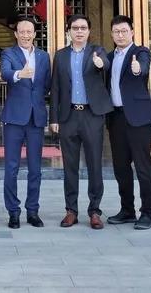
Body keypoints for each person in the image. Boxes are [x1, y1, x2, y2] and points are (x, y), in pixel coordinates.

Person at [50, 14, 111, 230]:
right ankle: (71, 211)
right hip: (68, 116)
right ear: (68, 31)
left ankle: (94, 211)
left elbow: (105, 64)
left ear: (89, 31)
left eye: (83, 28)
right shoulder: (60, 56)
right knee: (70, 166)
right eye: (75, 28)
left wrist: (100, 63)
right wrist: (54, 118)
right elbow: (55, 87)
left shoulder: (97, 51)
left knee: (94, 164)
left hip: (91, 116)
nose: (79, 31)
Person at [104, 15, 151, 230]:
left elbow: (143, 67)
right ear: (112, 34)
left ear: (132, 32)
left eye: (124, 31)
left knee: (143, 166)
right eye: (116, 32)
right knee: (121, 167)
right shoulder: (109, 57)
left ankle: (147, 212)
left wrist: (138, 68)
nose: (120, 35)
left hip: (138, 118)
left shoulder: (140, 52)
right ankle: (127, 210)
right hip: (116, 118)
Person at [0, 17, 51, 229]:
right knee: (11, 167)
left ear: (34, 34)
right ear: (16, 34)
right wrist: (19, 74)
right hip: (14, 117)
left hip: (36, 117)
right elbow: (5, 73)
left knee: (35, 168)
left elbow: (46, 84)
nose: (26, 35)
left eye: (29, 32)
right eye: (22, 32)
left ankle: (32, 210)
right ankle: (13, 212)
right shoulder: (8, 53)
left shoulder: (43, 56)